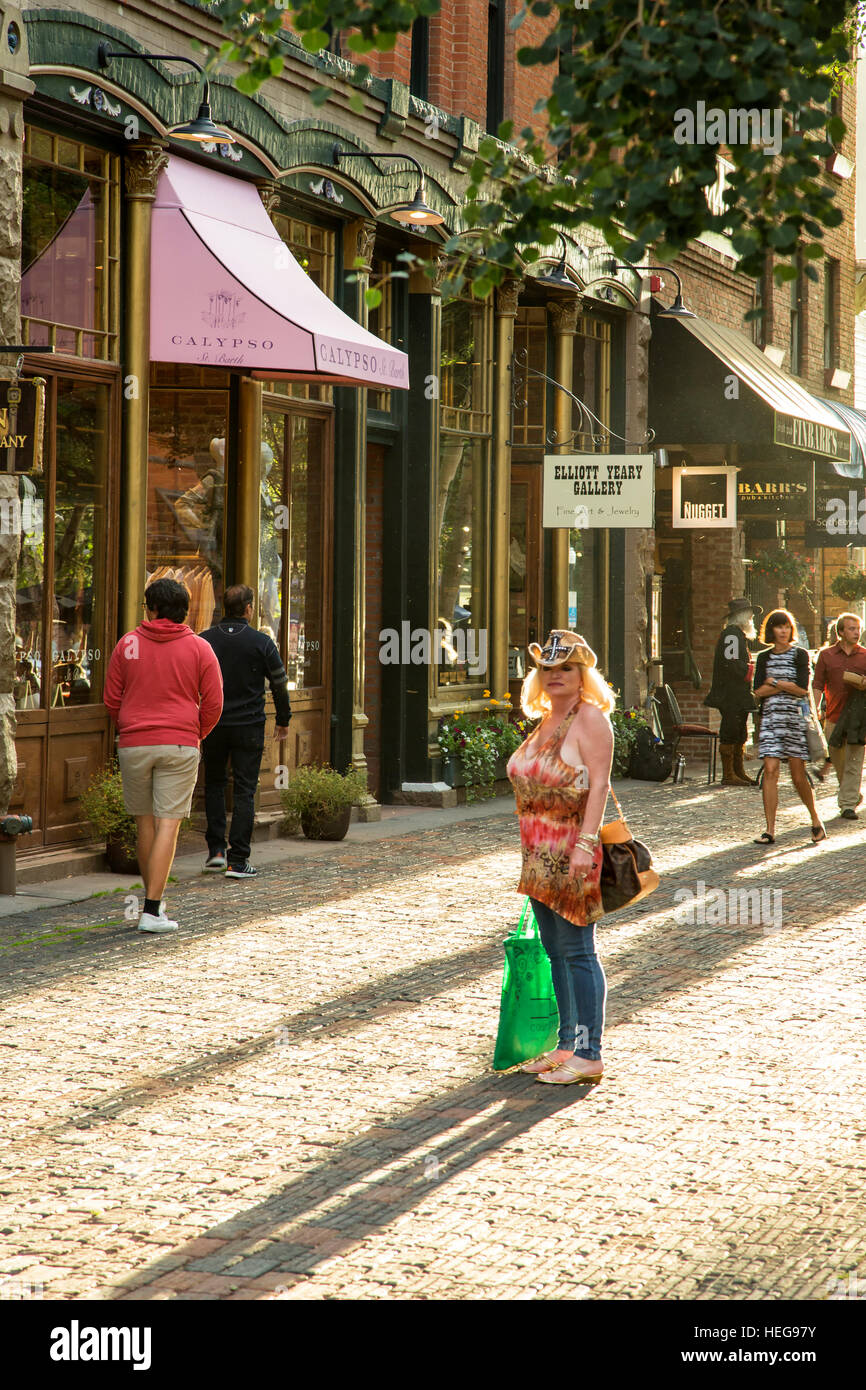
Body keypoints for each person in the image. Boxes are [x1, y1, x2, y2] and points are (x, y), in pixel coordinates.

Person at [506, 630, 615, 1086]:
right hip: (538, 856)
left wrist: (586, 845)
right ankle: (568, 1045)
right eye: (548, 668)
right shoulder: (547, 719)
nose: (556, 676)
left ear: (582, 674)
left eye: (566, 668)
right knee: (555, 953)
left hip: (572, 852)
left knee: (577, 952)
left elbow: (600, 784)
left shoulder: (589, 718)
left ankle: (590, 1053)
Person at [103, 578, 223, 932]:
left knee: (144, 822)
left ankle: (150, 905)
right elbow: (214, 703)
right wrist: (193, 733)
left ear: (152, 609)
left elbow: (112, 698)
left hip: (135, 743)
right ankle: (152, 910)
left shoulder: (127, 644)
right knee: (168, 823)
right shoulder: (200, 649)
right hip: (179, 743)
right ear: (184, 610)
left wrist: (129, 726)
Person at [199, 584, 291, 878]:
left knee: (213, 784)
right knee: (245, 790)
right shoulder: (261, 642)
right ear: (249, 608)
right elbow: (279, 682)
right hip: (249, 725)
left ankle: (215, 851)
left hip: (212, 725)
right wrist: (284, 719)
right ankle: (237, 860)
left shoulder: (205, 640)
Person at [752, 608, 825, 846]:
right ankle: (770, 830)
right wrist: (786, 686)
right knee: (770, 771)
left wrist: (774, 682)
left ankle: (816, 820)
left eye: (786, 626)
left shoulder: (800, 654)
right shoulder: (763, 657)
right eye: (778, 626)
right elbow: (757, 692)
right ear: (771, 630)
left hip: (794, 720)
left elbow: (802, 689)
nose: (783, 631)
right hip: (771, 720)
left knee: (797, 777)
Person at [812, 612, 866, 819]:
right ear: (841, 632)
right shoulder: (826, 655)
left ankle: (847, 805)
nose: (856, 632)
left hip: (858, 719)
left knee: (854, 761)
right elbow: (817, 684)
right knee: (838, 761)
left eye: (858, 628)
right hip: (833, 717)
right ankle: (851, 794)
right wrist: (814, 710)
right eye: (851, 629)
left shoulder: (864, 654)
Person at [703, 597, 762, 786]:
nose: (752, 618)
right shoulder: (731, 634)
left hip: (738, 694)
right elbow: (732, 664)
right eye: (750, 615)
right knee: (730, 730)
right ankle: (728, 775)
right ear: (742, 616)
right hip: (730, 694)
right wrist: (751, 669)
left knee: (740, 731)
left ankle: (738, 771)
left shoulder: (736, 634)